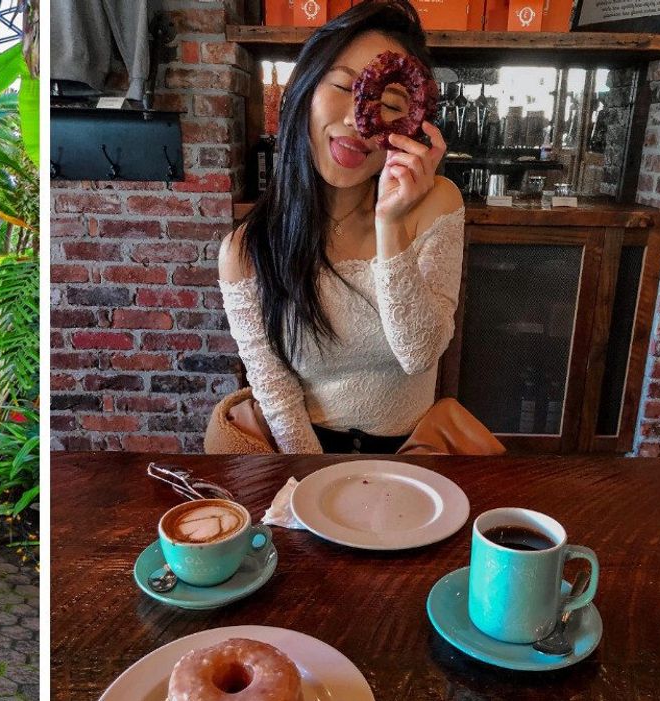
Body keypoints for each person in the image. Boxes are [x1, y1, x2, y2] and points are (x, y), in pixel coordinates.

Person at [207, 0, 501, 455]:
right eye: (343, 86)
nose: (356, 121)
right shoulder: (246, 249)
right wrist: (319, 489)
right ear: (304, 91)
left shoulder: (436, 203)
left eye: (389, 104)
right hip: (303, 450)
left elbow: (420, 353)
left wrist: (391, 222)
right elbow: (276, 394)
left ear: (413, 123)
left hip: (412, 453)